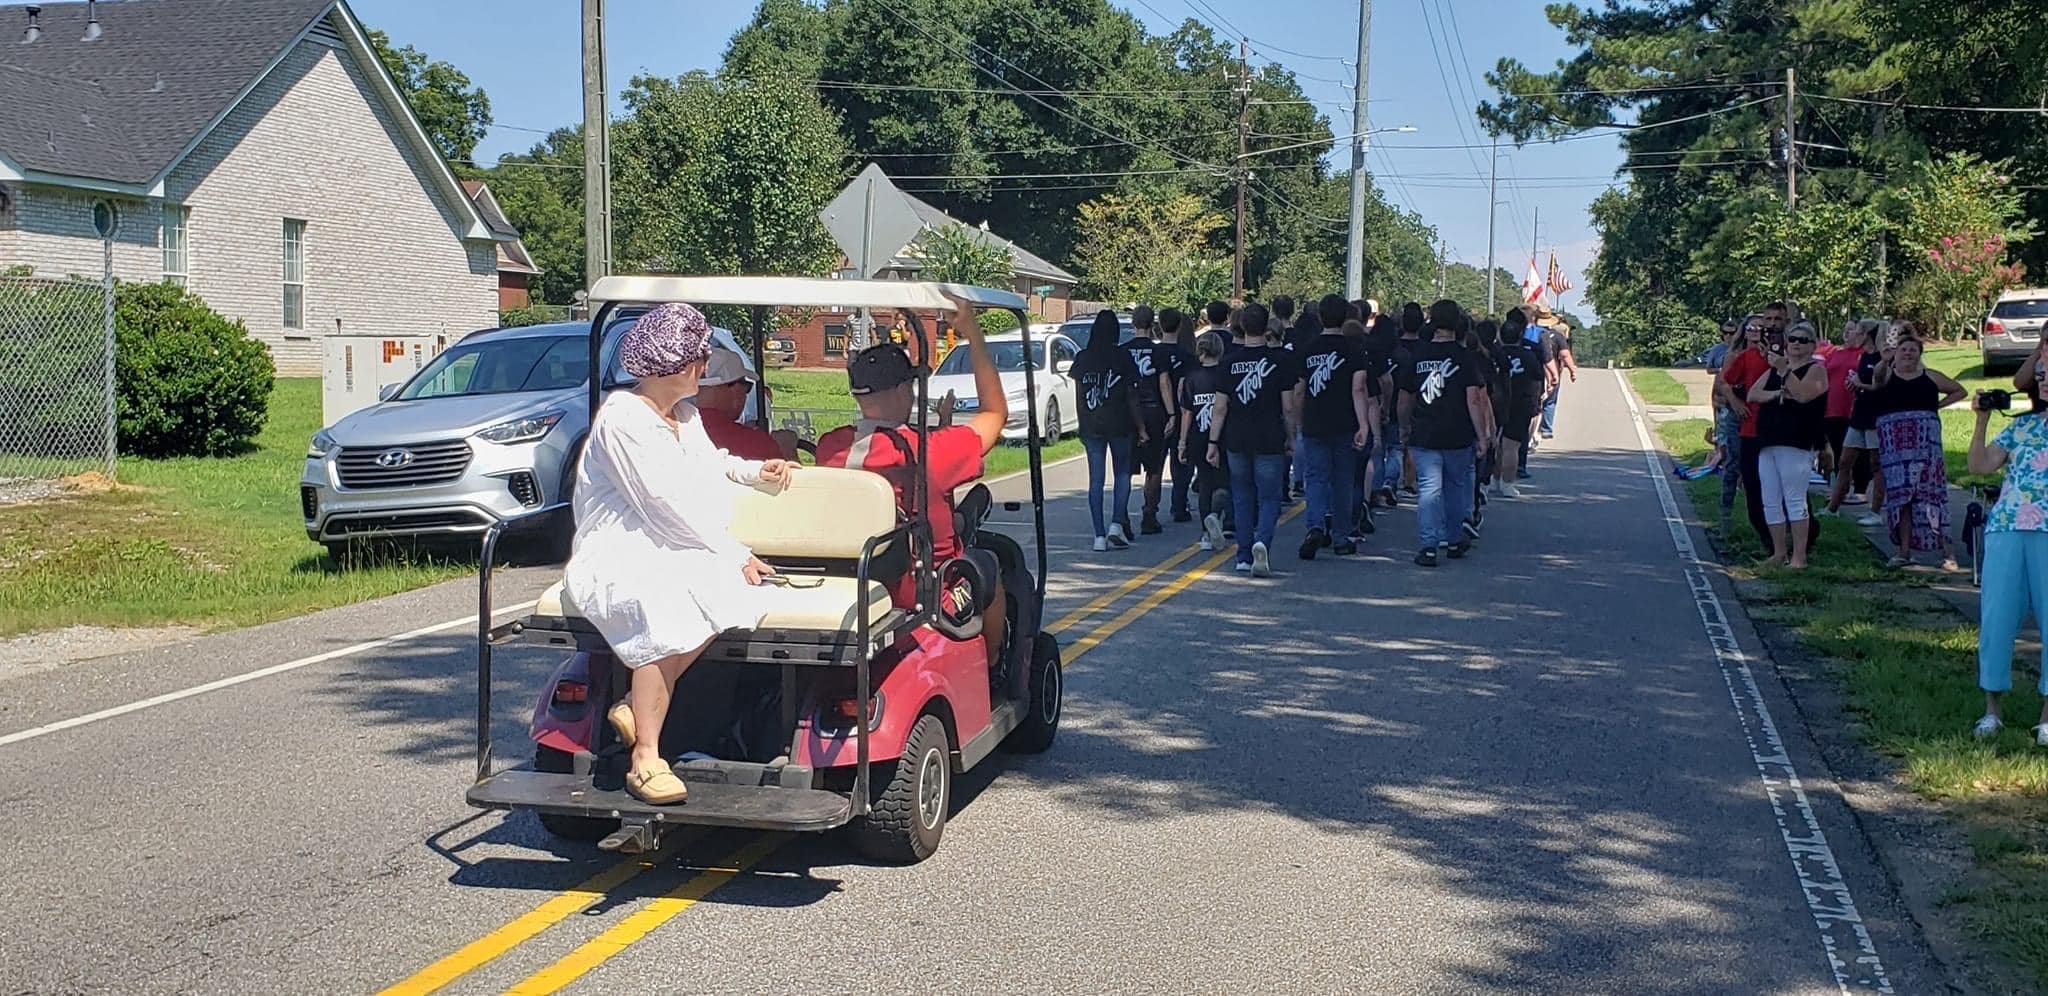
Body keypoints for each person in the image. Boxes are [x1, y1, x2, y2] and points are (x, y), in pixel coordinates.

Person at [563, 303, 796, 805]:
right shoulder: (623, 419)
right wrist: (733, 552)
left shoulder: (684, 416)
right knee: (664, 603)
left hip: (670, 542)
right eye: (698, 358)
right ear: (671, 364)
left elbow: (712, 464)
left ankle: (634, 703)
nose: (704, 366)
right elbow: (661, 504)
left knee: (737, 593)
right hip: (620, 546)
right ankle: (646, 757)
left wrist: (757, 472)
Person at [816, 300, 1011, 667]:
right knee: (989, 564)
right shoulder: (931, 450)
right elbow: (995, 413)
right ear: (903, 389)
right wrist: (973, 333)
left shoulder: (830, 447)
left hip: (852, 582)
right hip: (927, 592)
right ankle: (992, 665)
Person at [1964, 378, 2048, 745]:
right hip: (2006, 527)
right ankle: (1992, 711)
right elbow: (1979, 465)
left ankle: (2046, 718)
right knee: (1997, 619)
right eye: (2041, 373)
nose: (2043, 380)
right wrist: (1981, 420)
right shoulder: (2022, 426)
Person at [1206, 301, 1298, 577]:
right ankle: (1263, 542)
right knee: (1269, 497)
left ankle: (1244, 555)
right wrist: (1291, 437)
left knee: (1242, 495)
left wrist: (1212, 442)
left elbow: (1219, 407)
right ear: (1266, 327)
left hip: (1236, 437)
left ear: (1242, 327)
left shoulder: (1229, 362)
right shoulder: (1280, 361)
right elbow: (1288, 407)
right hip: (1269, 436)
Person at [1398, 299, 1491, 567]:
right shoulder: (1465, 358)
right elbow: (1474, 399)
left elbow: (1405, 397)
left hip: (1425, 432)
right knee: (1455, 487)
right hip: (1458, 433)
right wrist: (1482, 435)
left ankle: (1429, 545)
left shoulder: (1419, 355)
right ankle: (1453, 539)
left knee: (1429, 489)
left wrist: (1404, 426)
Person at [1869, 330, 1966, 569]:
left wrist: (1936, 406)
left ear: (1920, 354)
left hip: (1926, 445)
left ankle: (1948, 553)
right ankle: (1903, 552)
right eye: (1903, 350)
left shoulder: (1930, 376)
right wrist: (1884, 360)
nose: (1908, 354)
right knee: (1901, 497)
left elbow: (1959, 390)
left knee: (1932, 493)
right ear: (1895, 353)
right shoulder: (1887, 374)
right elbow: (1877, 380)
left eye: (1913, 350)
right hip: (1895, 447)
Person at [1744, 321, 1830, 568]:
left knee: (1794, 499)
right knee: (1770, 498)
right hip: (1768, 440)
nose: (1796, 344)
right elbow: (1753, 394)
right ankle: (1778, 552)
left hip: (1797, 441)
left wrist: (1785, 372)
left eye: (1803, 340)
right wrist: (1777, 393)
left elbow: (1803, 395)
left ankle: (1799, 557)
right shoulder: (1776, 369)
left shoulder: (1815, 370)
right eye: (1792, 339)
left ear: (1812, 345)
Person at [1296, 311, 1378, 559]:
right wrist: (1364, 424)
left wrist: (1299, 420)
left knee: (1316, 478)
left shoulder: (1308, 349)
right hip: (1344, 422)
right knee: (1343, 480)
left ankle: (1315, 526)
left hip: (1315, 421)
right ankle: (1341, 537)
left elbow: (1299, 390)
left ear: (1321, 318)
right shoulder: (1353, 349)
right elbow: (1359, 388)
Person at [1066, 310, 1147, 550]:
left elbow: (1079, 396)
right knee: (1122, 473)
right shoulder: (1122, 357)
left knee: (1096, 480)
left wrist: (1081, 423)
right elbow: (1132, 395)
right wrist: (1141, 427)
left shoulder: (1083, 358)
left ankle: (1099, 536)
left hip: (1092, 423)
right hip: (1120, 421)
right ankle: (1116, 524)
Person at [1120, 305, 1179, 534]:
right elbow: (1164, 383)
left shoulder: (1124, 351)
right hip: (1154, 410)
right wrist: (1171, 413)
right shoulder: (1159, 351)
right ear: (1152, 324)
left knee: (1125, 468)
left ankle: (1122, 517)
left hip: (1129, 413)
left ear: (1133, 323)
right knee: (1154, 467)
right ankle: (1149, 515)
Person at [1180, 331, 1232, 552]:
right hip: (1222, 436)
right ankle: (1217, 514)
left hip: (1198, 436)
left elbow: (1187, 413)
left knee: (1204, 483)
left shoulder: (1191, 378)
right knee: (1225, 483)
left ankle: (1206, 532)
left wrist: (1182, 442)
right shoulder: (1225, 374)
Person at [1822, 319, 1881, 516]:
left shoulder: (1875, 357)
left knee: (1871, 460)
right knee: (1843, 457)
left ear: (1867, 334)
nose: (1850, 334)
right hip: (1843, 410)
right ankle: (1835, 503)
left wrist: (1859, 384)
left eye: (1855, 330)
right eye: (1847, 330)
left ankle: (1868, 501)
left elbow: (1877, 385)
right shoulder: (1847, 354)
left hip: (1866, 413)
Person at [695, 347, 795, 462]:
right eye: (746, 386)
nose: (745, 394)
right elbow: (787, 472)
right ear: (735, 388)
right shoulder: (757, 443)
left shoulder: (682, 433)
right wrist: (788, 451)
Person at [1491, 308, 1545, 499]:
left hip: (1496, 402)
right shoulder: (1528, 356)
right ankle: (1507, 484)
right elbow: (1537, 380)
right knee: (1511, 447)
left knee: (1495, 445)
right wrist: (1536, 402)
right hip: (1520, 404)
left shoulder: (1494, 353)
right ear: (1520, 334)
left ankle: (1493, 479)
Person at [1158, 306, 1196, 523]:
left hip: (1158, 412)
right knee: (1181, 461)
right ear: (1180, 326)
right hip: (1182, 413)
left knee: (1156, 463)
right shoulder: (1188, 357)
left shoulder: (1155, 353)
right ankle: (1179, 504)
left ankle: (1150, 508)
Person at [1537, 320, 1577, 438]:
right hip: (1552, 369)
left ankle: (1531, 427)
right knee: (1550, 401)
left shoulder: (1531, 333)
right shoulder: (1557, 336)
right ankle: (1546, 429)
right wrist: (1572, 370)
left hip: (1532, 370)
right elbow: (1565, 354)